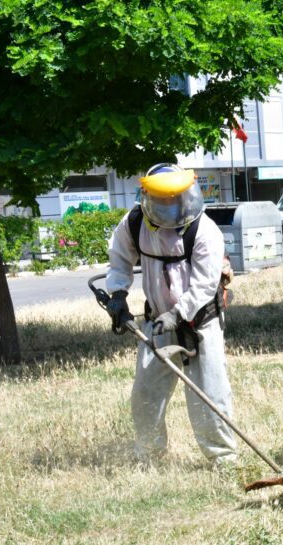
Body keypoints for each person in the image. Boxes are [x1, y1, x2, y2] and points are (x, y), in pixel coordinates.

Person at [104, 163, 238, 468]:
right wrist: (118, 295)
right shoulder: (135, 222)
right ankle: (149, 457)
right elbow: (119, 259)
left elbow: (204, 284)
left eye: (175, 198)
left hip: (200, 323)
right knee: (146, 395)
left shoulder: (204, 230)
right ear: (148, 197)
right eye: (162, 200)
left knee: (210, 396)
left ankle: (224, 461)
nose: (170, 206)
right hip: (157, 324)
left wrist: (178, 313)